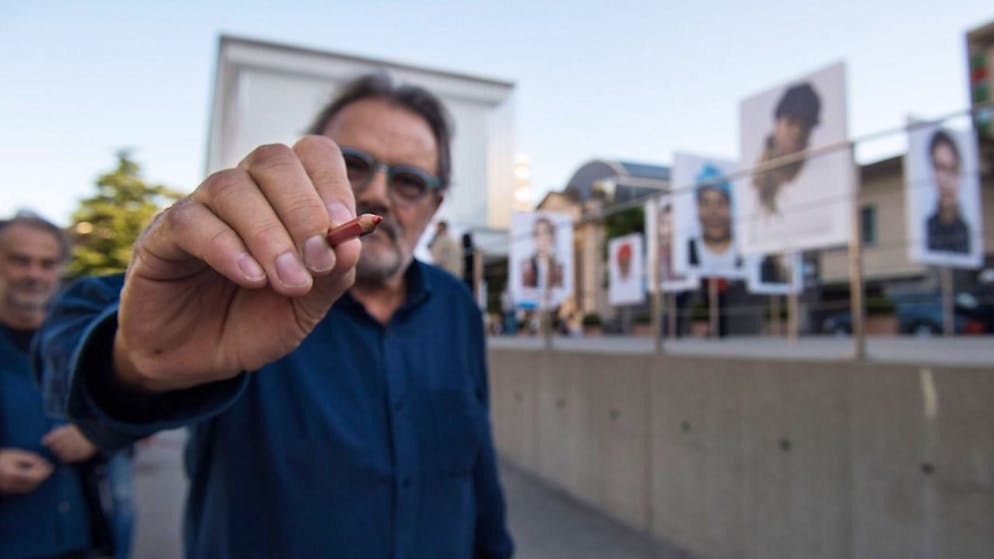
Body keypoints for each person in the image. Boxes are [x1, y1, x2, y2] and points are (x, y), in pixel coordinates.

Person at [34, 74, 513, 558]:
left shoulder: (455, 307)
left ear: (434, 206)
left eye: (409, 182)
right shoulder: (241, 284)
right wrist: (135, 364)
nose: (378, 196)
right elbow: (73, 335)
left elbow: (478, 468)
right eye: (354, 166)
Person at [0, 212, 113, 558]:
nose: (35, 274)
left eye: (47, 264)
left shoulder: (83, 338)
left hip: (77, 535)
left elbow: (131, 411)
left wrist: (95, 435)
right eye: (21, 261)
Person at [751, 82, 821, 218]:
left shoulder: (818, 177)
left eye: (805, 125)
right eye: (792, 122)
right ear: (777, 122)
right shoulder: (756, 183)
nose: (798, 131)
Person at [686, 163, 744, 277]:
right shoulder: (689, 250)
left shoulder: (743, 250)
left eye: (720, 202)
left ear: (730, 206)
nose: (713, 212)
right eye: (706, 203)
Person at [924, 129, 970, 254]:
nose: (946, 180)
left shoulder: (968, 232)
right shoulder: (926, 229)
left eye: (952, 169)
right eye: (940, 168)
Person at [520, 215, 563, 289]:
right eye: (537, 233)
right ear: (533, 238)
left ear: (552, 236)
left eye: (545, 233)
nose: (542, 238)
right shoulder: (525, 266)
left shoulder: (558, 267)